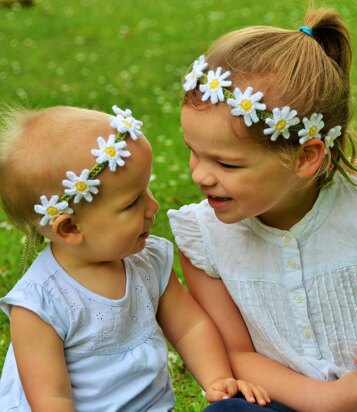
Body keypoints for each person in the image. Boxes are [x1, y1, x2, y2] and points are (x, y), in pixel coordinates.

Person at [167, 7, 357, 412]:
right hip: (286, 400)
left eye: (226, 164)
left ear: (305, 157)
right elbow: (237, 354)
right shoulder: (204, 239)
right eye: (193, 152)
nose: (200, 176)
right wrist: (325, 400)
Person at [0, 105, 271, 411]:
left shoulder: (147, 260)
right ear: (71, 228)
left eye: (147, 190)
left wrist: (216, 377)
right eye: (132, 202)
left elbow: (189, 326)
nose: (152, 206)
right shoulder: (41, 305)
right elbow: (51, 399)